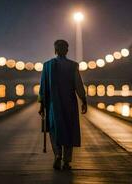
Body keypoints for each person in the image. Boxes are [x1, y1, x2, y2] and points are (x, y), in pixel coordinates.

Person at [38, 39, 87, 170]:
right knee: (69, 130)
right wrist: (84, 100)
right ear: (67, 50)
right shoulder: (73, 66)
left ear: (55, 50)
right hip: (70, 103)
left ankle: (58, 155)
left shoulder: (47, 66)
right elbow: (78, 85)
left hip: (54, 105)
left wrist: (41, 105)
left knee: (55, 130)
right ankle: (66, 161)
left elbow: (43, 88)